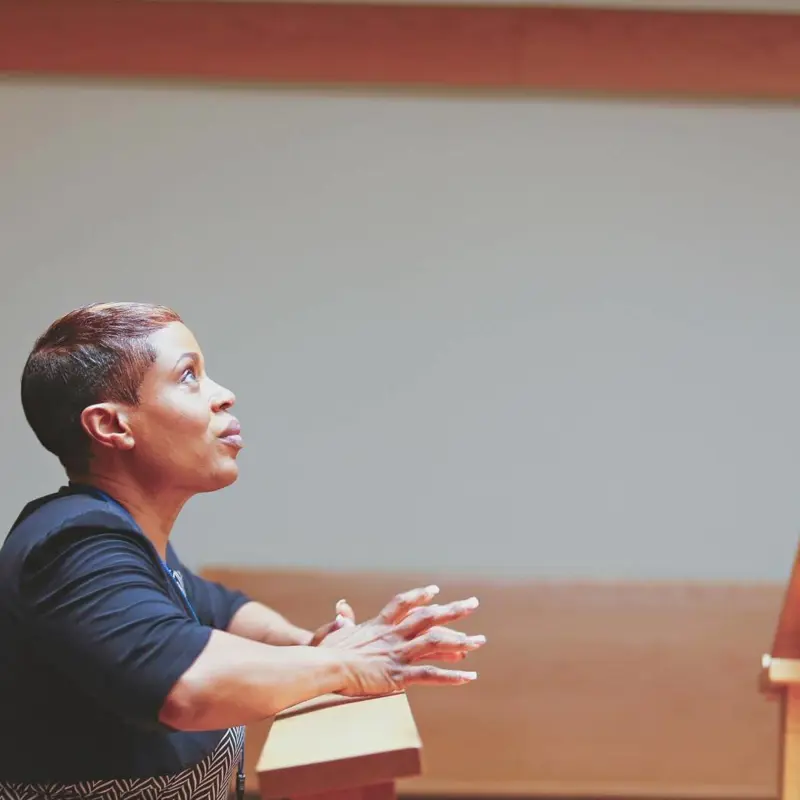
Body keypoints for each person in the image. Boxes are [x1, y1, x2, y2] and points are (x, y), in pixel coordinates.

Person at [0, 302, 485, 800]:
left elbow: (222, 610)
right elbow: (187, 685)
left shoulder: (120, 534)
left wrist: (309, 646)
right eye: (188, 376)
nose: (224, 395)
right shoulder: (71, 543)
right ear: (112, 426)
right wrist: (347, 664)